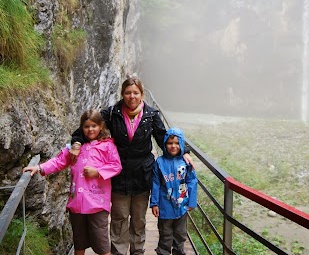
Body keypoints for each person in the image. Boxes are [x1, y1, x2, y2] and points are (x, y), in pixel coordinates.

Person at [70, 76, 194, 255]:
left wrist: (185, 151)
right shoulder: (112, 113)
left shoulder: (151, 115)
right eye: (128, 93)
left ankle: (137, 252)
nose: (132, 96)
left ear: (142, 94)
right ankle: (119, 252)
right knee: (119, 218)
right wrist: (76, 144)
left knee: (138, 219)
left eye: (135, 93)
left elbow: (163, 138)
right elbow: (88, 127)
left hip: (143, 174)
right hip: (119, 173)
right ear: (122, 94)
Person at [23, 109, 122, 255]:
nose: (90, 129)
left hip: (97, 203)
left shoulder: (107, 146)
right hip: (77, 203)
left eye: (94, 126)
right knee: (79, 242)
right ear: (82, 128)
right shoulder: (74, 149)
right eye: (87, 126)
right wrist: (39, 167)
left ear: (101, 126)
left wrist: (98, 172)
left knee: (102, 244)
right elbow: (58, 162)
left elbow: (116, 166)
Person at [150, 127, 197, 255]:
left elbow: (192, 181)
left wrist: (192, 201)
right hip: (165, 207)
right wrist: (154, 203)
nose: (173, 146)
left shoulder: (185, 162)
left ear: (181, 144)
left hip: (182, 206)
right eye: (170, 143)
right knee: (165, 236)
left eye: (177, 143)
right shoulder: (159, 162)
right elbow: (155, 184)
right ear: (165, 144)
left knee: (180, 235)